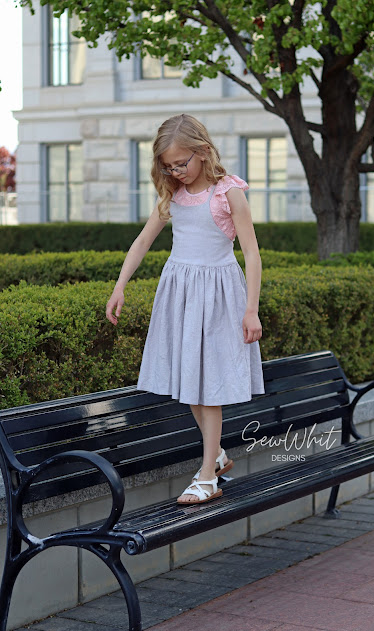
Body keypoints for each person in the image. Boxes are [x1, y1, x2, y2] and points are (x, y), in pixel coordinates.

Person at [106, 113, 265, 505]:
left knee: (208, 388)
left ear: (203, 151)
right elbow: (143, 241)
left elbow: (252, 254)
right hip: (179, 294)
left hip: (218, 296)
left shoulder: (228, 192)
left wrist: (251, 310)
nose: (176, 172)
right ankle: (218, 455)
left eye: (181, 164)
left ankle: (208, 474)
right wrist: (120, 286)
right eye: (169, 167)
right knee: (190, 381)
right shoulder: (172, 195)